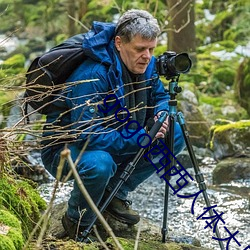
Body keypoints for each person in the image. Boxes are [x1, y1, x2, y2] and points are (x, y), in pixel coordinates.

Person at [41, 9, 186, 241]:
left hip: (120, 135)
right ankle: (76, 221)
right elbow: (87, 135)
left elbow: (159, 96)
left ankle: (115, 193)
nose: (147, 56)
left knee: (174, 133)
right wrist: (141, 137)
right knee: (100, 164)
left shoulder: (145, 64)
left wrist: (161, 114)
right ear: (119, 43)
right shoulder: (92, 75)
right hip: (67, 149)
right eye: (140, 49)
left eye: (152, 49)